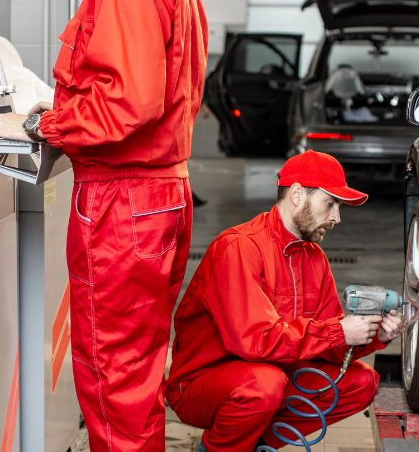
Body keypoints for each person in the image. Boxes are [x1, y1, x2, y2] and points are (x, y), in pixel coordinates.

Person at [0, 0, 209, 451]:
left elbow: (130, 101)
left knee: (112, 383)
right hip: (155, 198)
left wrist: (39, 123)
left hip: (124, 207)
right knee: (131, 379)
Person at [166, 150, 406, 452]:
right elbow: (255, 342)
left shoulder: (313, 257)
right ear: (296, 194)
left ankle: (255, 444)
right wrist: (338, 331)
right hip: (202, 384)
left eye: (339, 207)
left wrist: (374, 336)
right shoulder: (239, 248)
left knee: (362, 383)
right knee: (264, 385)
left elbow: (330, 347)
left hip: (272, 374)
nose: (337, 218)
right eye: (330, 204)